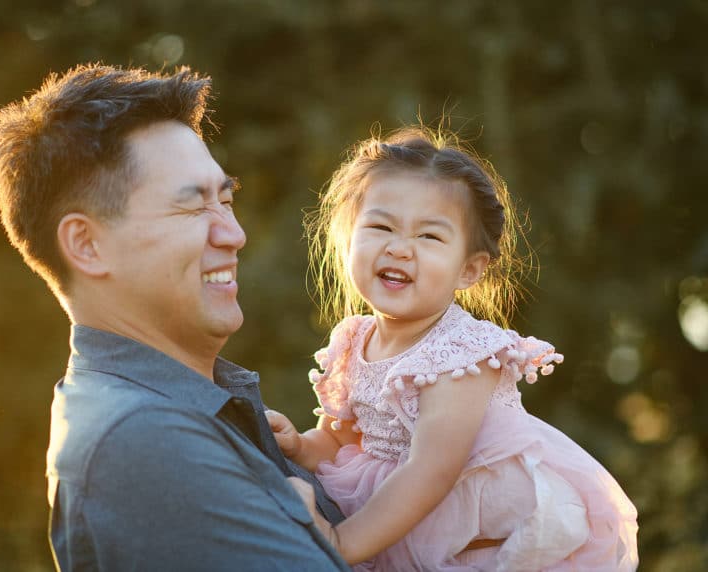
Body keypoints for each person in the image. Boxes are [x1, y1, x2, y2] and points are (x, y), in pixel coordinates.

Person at [0, 63, 349, 571]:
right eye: (193, 208)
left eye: (225, 198)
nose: (233, 234)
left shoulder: (177, 408)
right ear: (87, 245)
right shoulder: (141, 442)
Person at [266, 127, 639, 571]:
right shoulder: (354, 338)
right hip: (394, 512)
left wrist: (341, 542)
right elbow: (344, 439)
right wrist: (302, 446)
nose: (400, 248)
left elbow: (431, 472)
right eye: (381, 226)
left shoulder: (460, 354)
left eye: (429, 237)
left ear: (469, 269)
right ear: (348, 240)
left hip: (477, 528)